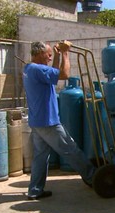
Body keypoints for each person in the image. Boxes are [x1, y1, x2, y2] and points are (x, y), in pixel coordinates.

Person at [23, 41, 95, 200]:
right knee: (71, 149)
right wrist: (65, 53)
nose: (49, 57)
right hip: (48, 122)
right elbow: (63, 75)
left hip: (37, 121)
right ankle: (93, 178)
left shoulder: (29, 69)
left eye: (51, 55)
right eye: (48, 54)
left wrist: (56, 55)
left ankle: (35, 191)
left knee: (40, 157)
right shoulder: (38, 69)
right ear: (39, 53)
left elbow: (53, 72)